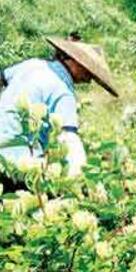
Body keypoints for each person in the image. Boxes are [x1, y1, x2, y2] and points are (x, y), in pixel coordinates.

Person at [0, 37, 118, 190]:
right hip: (20, 164)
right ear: (74, 61)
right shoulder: (63, 92)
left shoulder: (33, 64)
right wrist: (83, 183)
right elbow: (69, 140)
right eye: (88, 72)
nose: (89, 80)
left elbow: (2, 78)